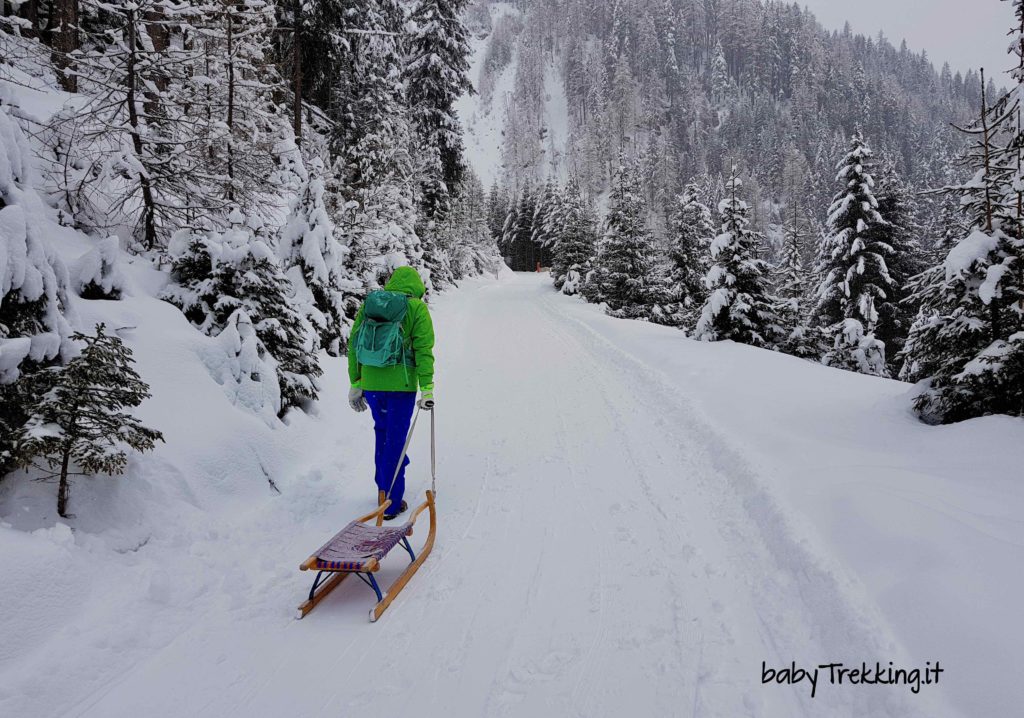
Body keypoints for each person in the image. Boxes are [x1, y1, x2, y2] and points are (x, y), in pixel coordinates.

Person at [347, 266, 434, 520]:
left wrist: (356, 381)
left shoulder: (372, 306)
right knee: (395, 440)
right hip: (401, 387)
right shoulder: (417, 308)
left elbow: (354, 343)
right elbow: (424, 351)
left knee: (382, 435)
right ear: (417, 286)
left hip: (372, 385)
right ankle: (391, 504)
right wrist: (427, 389)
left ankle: (383, 490)